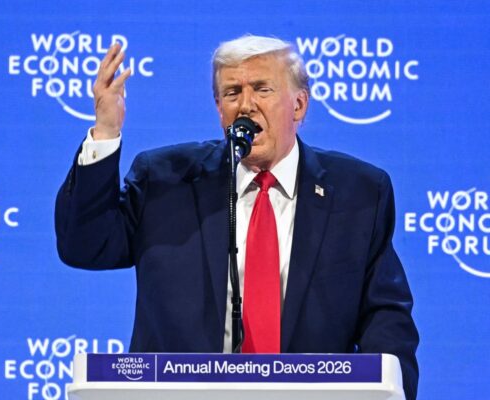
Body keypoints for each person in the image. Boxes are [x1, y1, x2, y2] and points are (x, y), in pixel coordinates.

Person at [55, 35, 419, 399]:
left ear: (299, 105)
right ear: (219, 109)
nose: (246, 105)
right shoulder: (165, 180)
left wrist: (386, 390)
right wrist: (105, 132)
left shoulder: (358, 193)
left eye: (262, 89)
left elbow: (385, 317)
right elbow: (85, 246)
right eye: (232, 93)